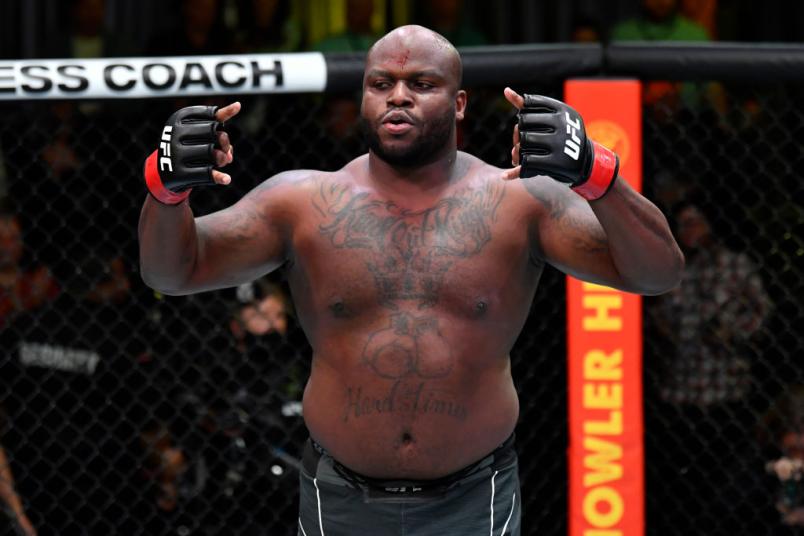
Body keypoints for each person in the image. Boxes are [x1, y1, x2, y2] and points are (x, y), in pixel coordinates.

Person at [138, 25, 683, 535]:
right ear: (363, 99)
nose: (399, 96)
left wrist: (597, 174)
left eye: (421, 83)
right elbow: (172, 271)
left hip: (474, 496)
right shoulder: (302, 203)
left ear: (460, 103)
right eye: (382, 83)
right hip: (340, 496)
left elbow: (657, 272)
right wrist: (166, 191)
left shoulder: (519, 203)